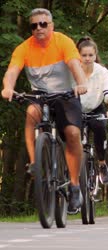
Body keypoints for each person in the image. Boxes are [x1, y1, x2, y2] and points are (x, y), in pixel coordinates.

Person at [1, 8, 88, 214]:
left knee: (73, 134)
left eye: (43, 24)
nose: (39, 28)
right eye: (34, 25)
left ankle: (75, 186)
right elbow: (12, 71)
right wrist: (7, 87)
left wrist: (81, 83)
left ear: (51, 26)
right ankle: (34, 163)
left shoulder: (63, 42)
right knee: (31, 112)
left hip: (66, 94)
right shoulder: (24, 48)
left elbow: (75, 66)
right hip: (40, 95)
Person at [75, 37, 108, 185]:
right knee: (70, 134)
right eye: (84, 55)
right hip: (76, 109)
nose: (87, 58)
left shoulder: (102, 72)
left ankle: (102, 164)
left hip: (95, 108)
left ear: (95, 55)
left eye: (90, 55)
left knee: (99, 128)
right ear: (78, 55)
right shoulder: (72, 69)